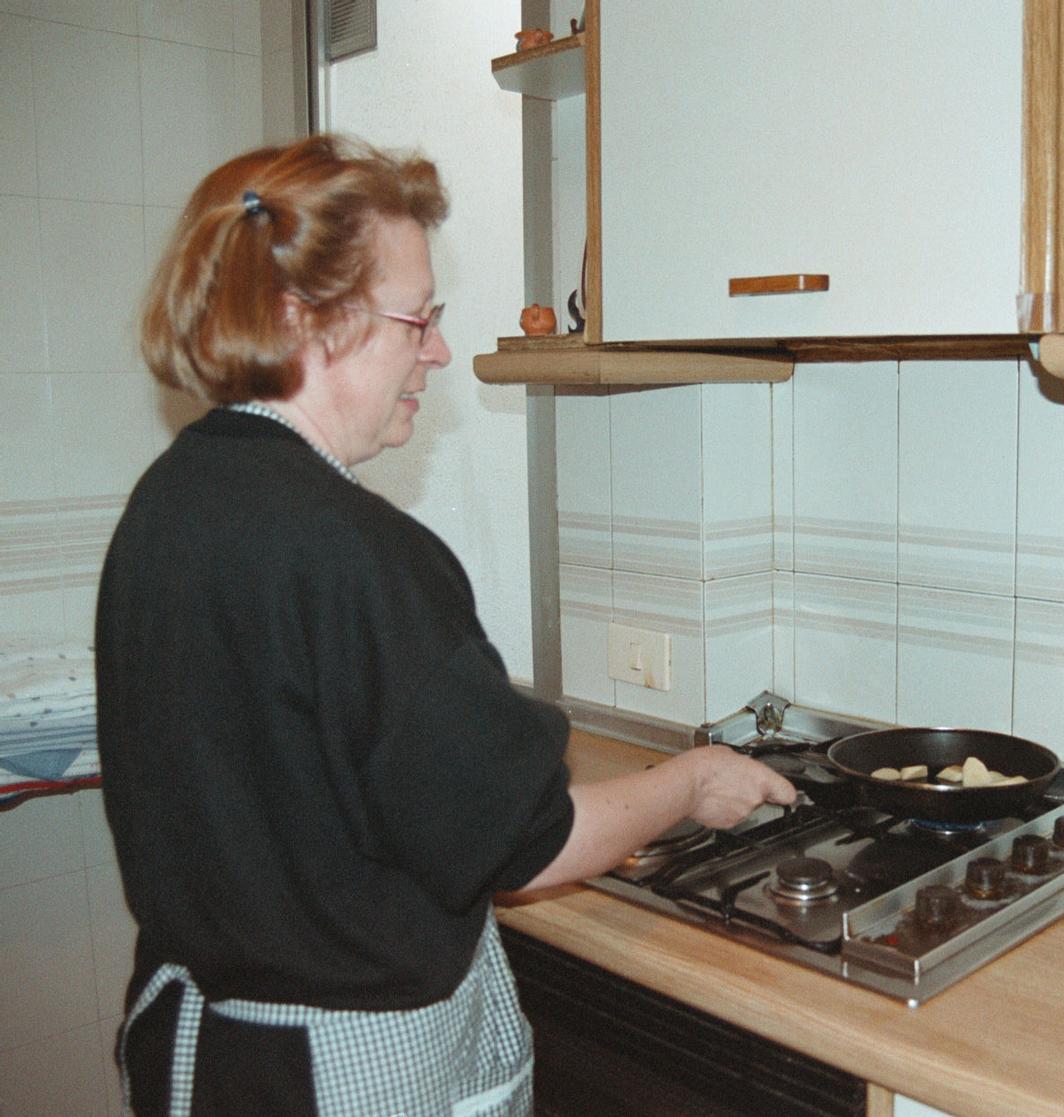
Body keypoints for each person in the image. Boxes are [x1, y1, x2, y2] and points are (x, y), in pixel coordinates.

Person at [95, 133, 795, 1117]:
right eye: (416, 319)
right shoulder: (355, 548)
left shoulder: (169, 502)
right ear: (307, 318)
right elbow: (532, 848)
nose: (435, 350)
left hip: (202, 1046)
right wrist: (690, 781)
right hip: (338, 1072)